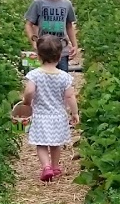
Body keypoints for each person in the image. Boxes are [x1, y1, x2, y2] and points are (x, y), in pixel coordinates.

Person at [23, 34, 79, 182]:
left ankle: (46, 167)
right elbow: (70, 96)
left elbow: (29, 91)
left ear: (38, 56)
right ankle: (55, 166)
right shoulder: (64, 77)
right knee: (56, 144)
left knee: (41, 144)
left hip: (41, 115)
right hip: (58, 116)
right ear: (60, 56)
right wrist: (74, 113)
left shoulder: (34, 75)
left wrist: (27, 102)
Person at [24, 0, 78, 72]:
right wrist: (34, 41)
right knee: (45, 79)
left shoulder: (66, 4)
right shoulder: (38, 3)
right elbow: (29, 24)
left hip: (62, 51)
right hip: (44, 51)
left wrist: (74, 45)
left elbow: (69, 26)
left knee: (62, 78)